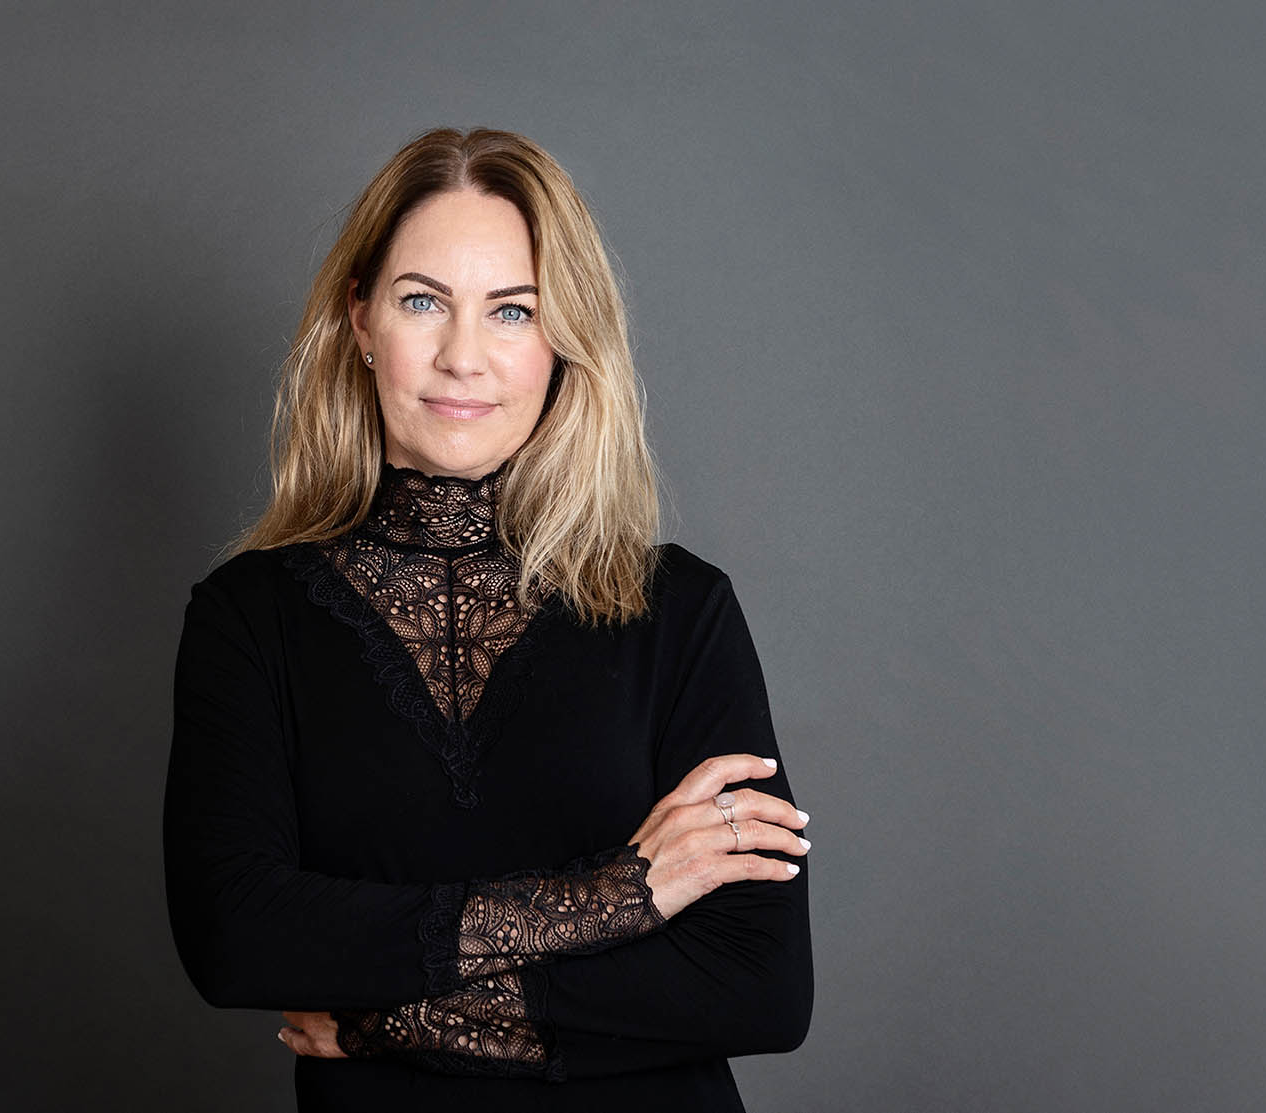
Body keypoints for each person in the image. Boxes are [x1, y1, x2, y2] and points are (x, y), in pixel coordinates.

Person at [162, 126, 813, 1113]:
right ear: (360, 320)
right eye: (423, 301)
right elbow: (237, 937)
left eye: (513, 311)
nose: (462, 357)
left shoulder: (680, 609)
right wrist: (616, 896)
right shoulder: (248, 617)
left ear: (563, 343)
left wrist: (380, 1022)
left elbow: (757, 987)